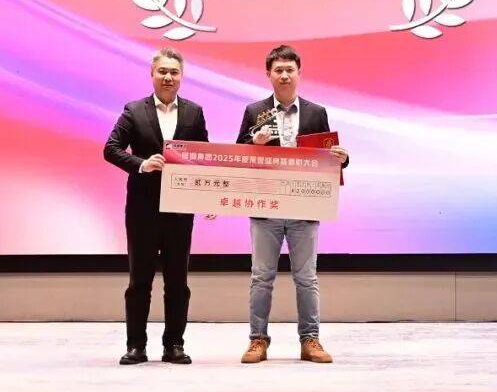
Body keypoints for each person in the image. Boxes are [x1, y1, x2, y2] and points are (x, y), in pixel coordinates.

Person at [235, 44, 349, 364]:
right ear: (268, 74)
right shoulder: (255, 111)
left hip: (305, 207)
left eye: (290, 70)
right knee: (261, 277)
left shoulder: (316, 112)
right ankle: (257, 340)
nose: (284, 75)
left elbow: (328, 156)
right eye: (278, 70)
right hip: (265, 207)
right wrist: (253, 143)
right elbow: (236, 156)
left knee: (307, 278)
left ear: (299, 73)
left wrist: (343, 158)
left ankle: (310, 340)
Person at [103, 47, 209, 365]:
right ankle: (136, 346)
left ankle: (174, 345)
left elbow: (203, 158)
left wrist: (207, 197)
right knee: (140, 282)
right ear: (152, 74)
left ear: (181, 77)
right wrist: (141, 164)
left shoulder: (194, 112)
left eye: (174, 72)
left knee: (178, 282)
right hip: (142, 210)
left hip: (180, 210)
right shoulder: (134, 110)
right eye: (162, 71)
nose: (168, 77)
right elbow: (111, 148)